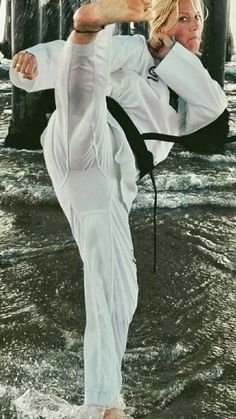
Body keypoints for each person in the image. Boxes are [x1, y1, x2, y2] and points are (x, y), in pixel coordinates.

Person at [10, 1, 227, 418]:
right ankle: (89, 28)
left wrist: (174, 57)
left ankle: (105, 401)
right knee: (84, 94)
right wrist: (32, 64)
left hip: (109, 181)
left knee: (119, 290)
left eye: (198, 18)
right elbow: (70, 65)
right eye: (183, 18)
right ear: (160, 22)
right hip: (92, 134)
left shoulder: (187, 84)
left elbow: (214, 108)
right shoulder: (136, 50)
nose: (195, 26)